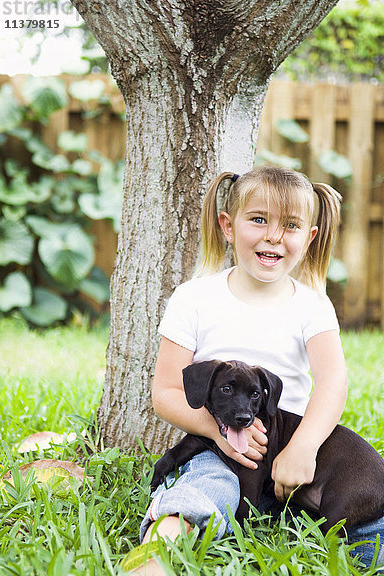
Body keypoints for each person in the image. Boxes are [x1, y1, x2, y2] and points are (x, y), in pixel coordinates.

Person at [124, 166, 384, 575]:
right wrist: (221, 435)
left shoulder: (312, 305)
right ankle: (156, 558)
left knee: (372, 524)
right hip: (222, 454)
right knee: (203, 490)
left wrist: (303, 449)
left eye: (291, 225)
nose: (273, 236)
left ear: (309, 237)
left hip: (296, 457)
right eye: (259, 220)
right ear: (228, 225)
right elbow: (166, 392)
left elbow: (332, 383)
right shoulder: (194, 298)